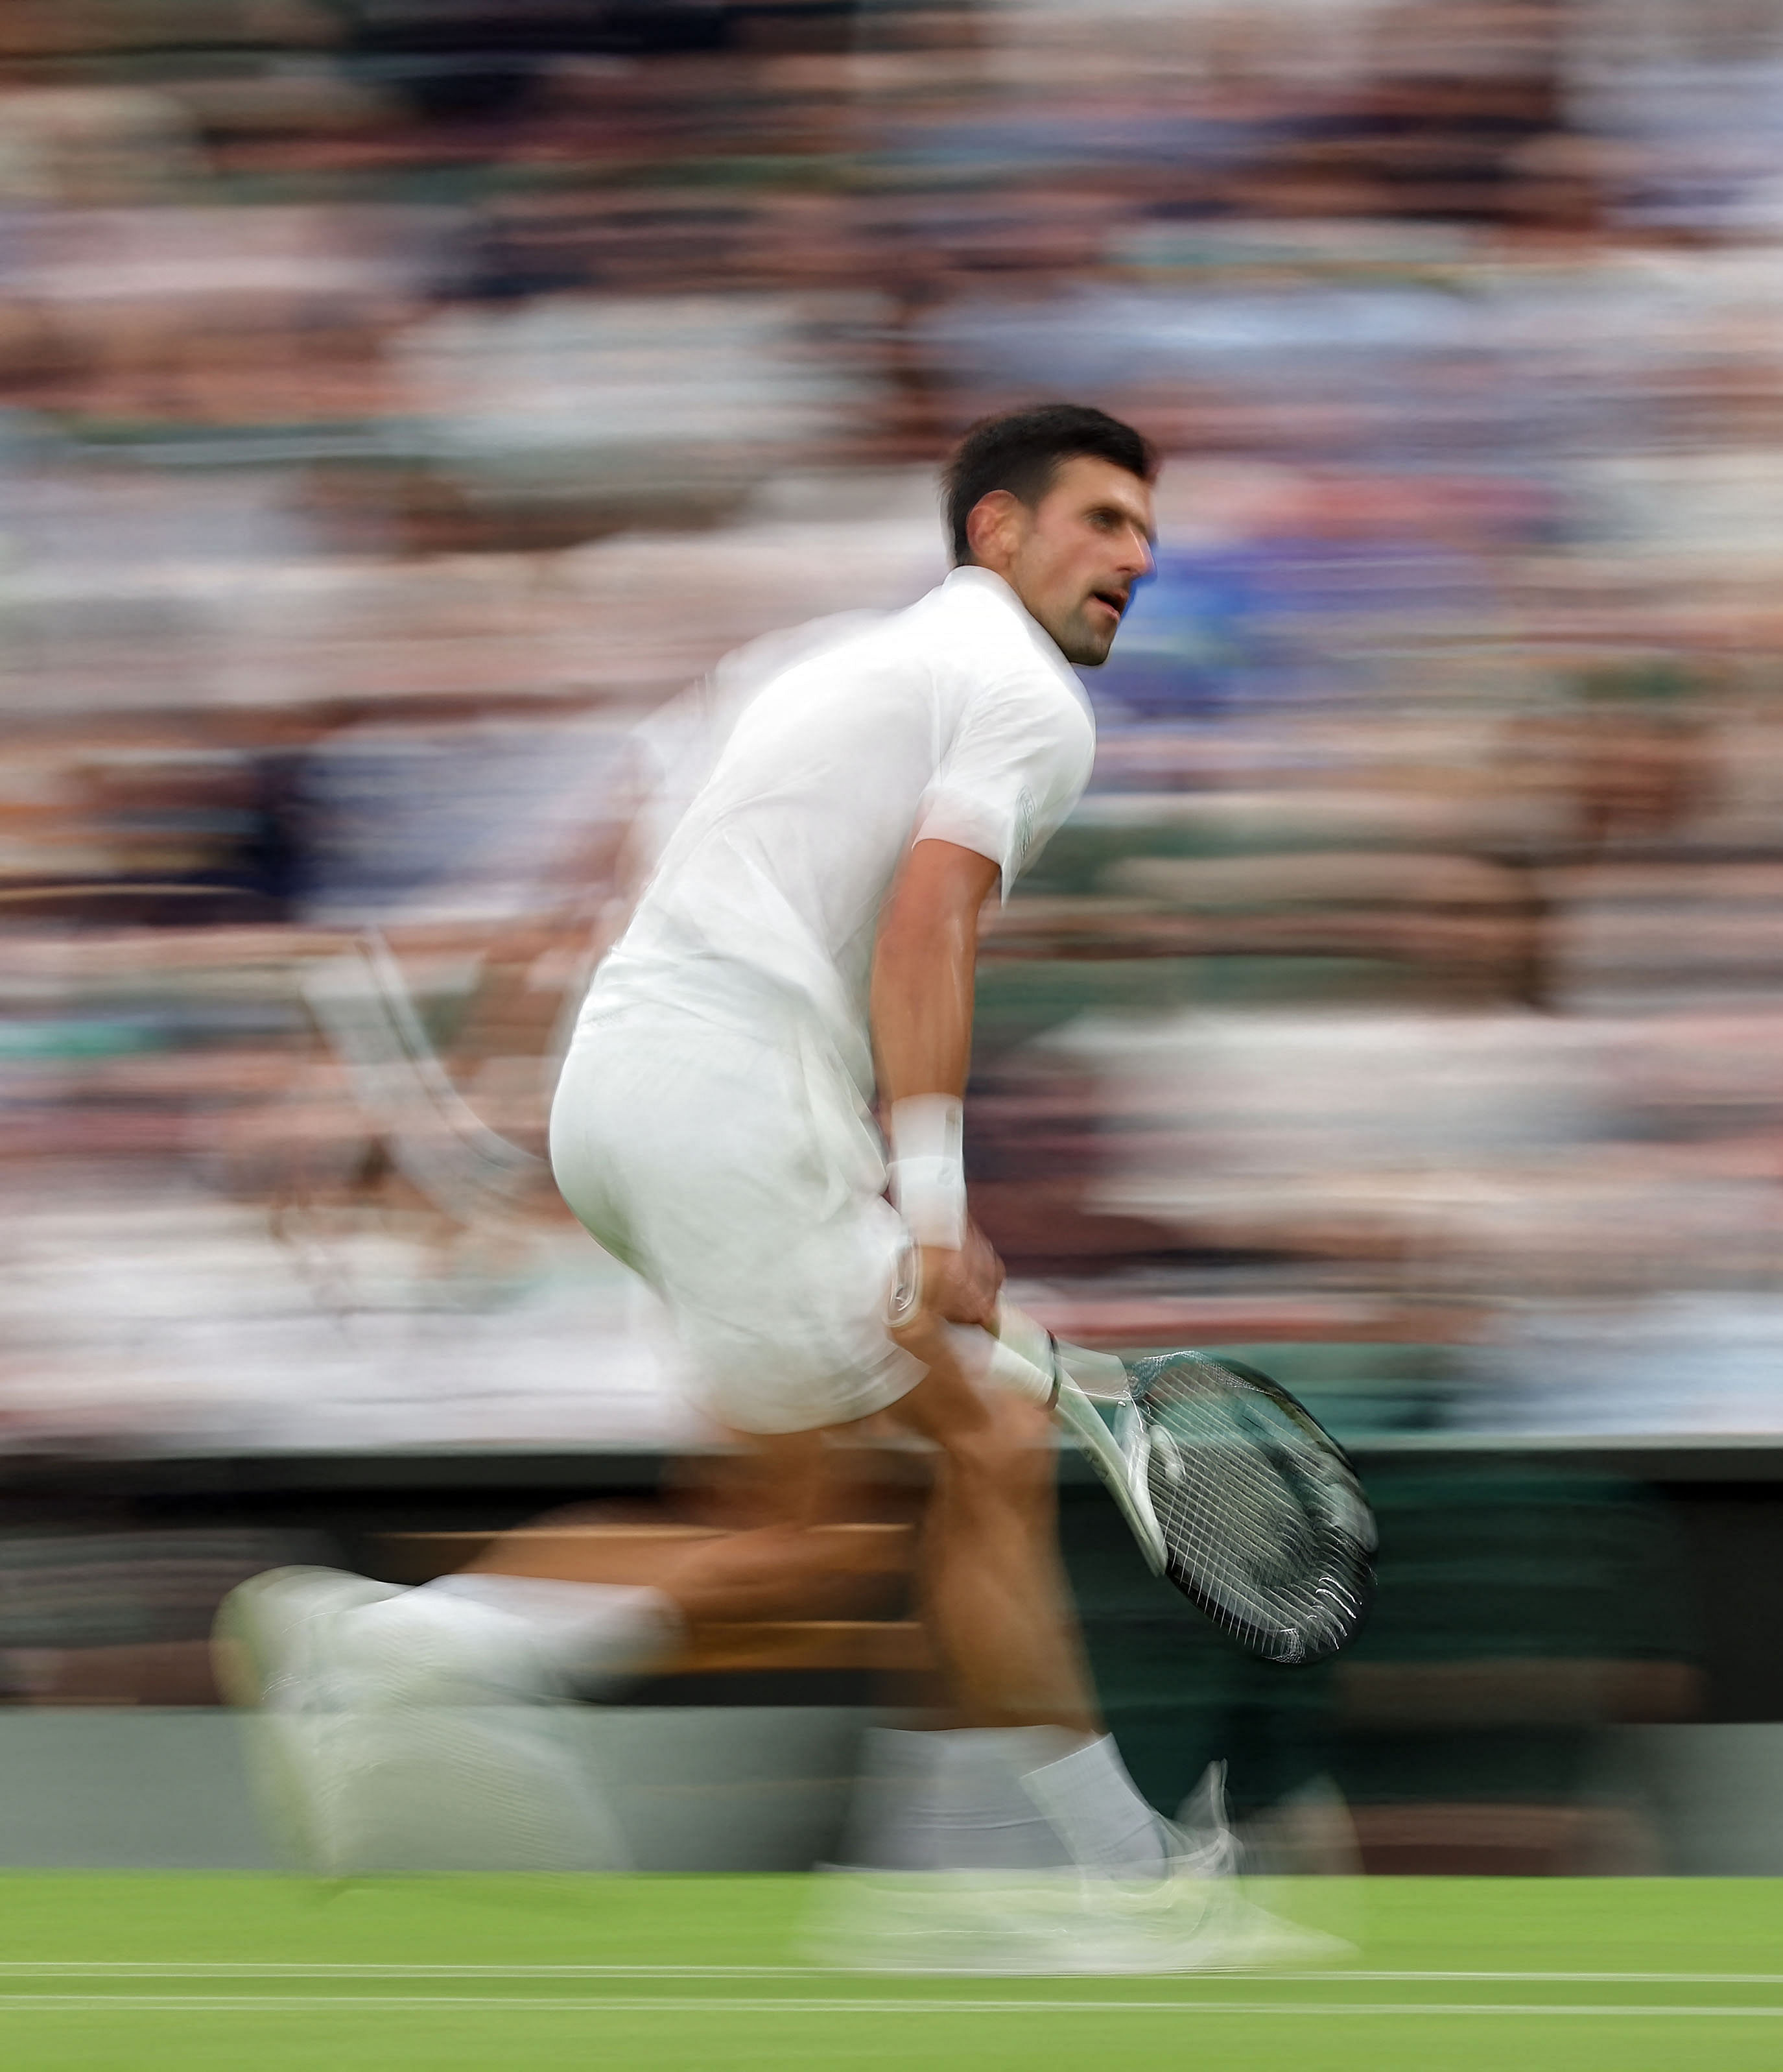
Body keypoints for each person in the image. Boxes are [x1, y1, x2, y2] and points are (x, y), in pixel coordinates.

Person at [218, 403, 1322, 1972]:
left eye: (1145, 531)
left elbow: (605, 854)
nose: (1134, 557)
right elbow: (926, 924)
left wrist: (457, 1093)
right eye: (1098, 521)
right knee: (976, 1447)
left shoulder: (821, 659)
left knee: (813, 1526)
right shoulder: (1023, 703)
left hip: (631, 1089)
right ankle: (1111, 1881)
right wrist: (933, 1209)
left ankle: (430, 1655)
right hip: (735, 1098)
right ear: (993, 533)